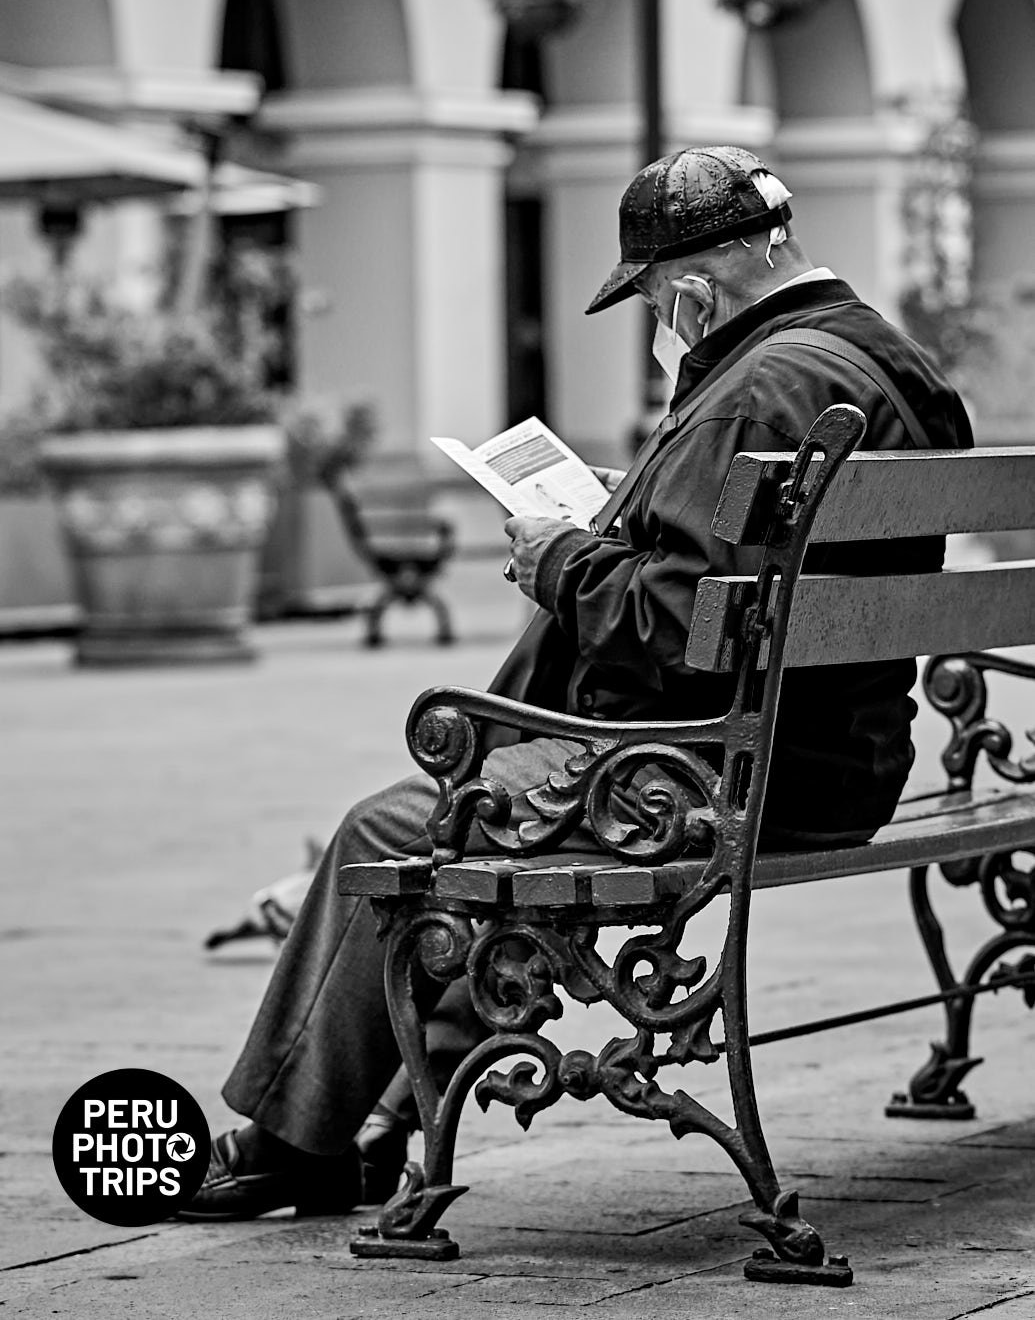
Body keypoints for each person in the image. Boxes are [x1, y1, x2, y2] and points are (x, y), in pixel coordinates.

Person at [179, 145, 972, 1220]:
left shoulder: (759, 391)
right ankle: (386, 1120)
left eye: (652, 297)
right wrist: (629, 505)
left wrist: (554, 557)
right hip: (843, 757)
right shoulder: (887, 359)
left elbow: (676, 624)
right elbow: (742, 569)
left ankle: (293, 1140)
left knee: (394, 827)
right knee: (478, 817)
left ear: (693, 288)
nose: (660, 320)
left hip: (710, 777)